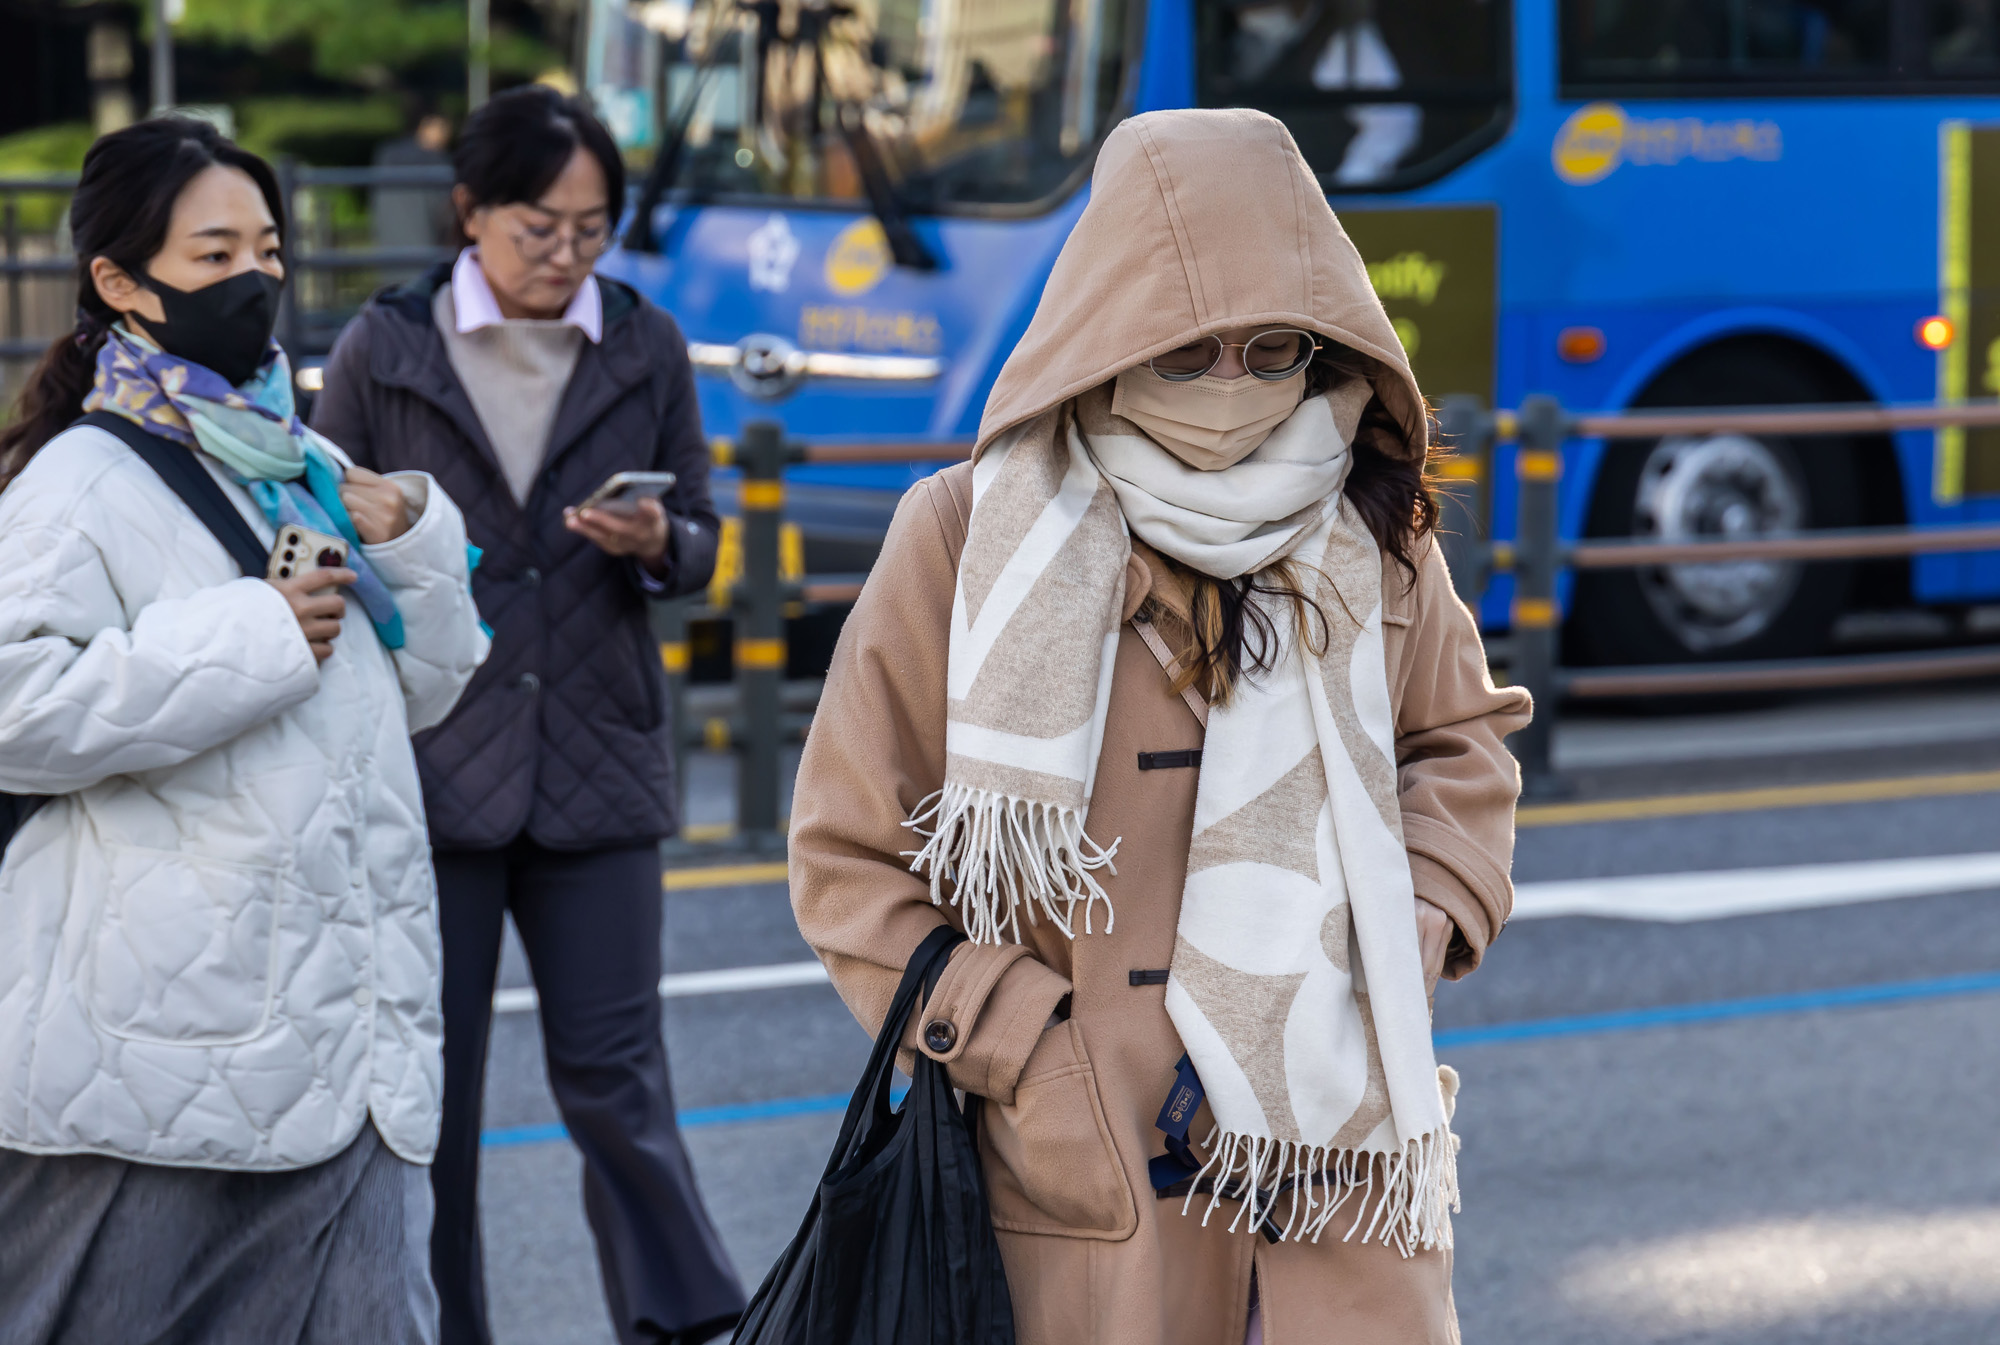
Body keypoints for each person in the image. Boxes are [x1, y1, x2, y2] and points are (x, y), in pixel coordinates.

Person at [788, 108, 1531, 1343]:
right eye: (1184, 352)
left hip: (1334, 1131)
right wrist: (1026, 1049)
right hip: (1087, 1162)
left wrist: (1418, 917)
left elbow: (1457, 743)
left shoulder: (1370, 522)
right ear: (1109, 338)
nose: (1231, 387)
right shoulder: (969, 533)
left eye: (1273, 346)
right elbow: (846, 857)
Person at [0, 117, 488, 1341]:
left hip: (346, 1028)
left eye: (266, 248)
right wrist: (256, 634)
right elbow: (16, 709)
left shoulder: (293, 458)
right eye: (212, 255)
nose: (253, 280)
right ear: (121, 281)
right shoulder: (79, 482)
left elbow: (420, 693)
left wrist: (411, 546)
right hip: (159, 1044)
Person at [309, 85, 744, 1345]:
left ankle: (679, 1322)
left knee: (618, 1082)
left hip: (598, 763)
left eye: (591, 229)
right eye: (538, 229)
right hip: (429, 773)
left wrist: (662, 537)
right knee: (427, 1097)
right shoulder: (385, 346)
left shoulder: (643, 342)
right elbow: (318, 522)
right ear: (471, 214)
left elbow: (704, 535)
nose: (565, 256)